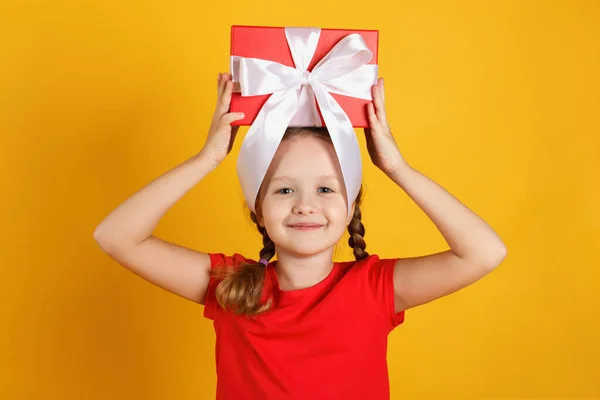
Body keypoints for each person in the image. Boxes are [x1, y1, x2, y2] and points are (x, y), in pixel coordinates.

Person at [94, 72, 507, 399]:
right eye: (284, 189)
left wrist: (397, 167)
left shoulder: (376, 288)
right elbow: (117, 236)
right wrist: (208, 157)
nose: (305, 205)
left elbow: (484, 253)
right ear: (258, 207)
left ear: (350, 208)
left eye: (326, 189)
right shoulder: (230, 286)